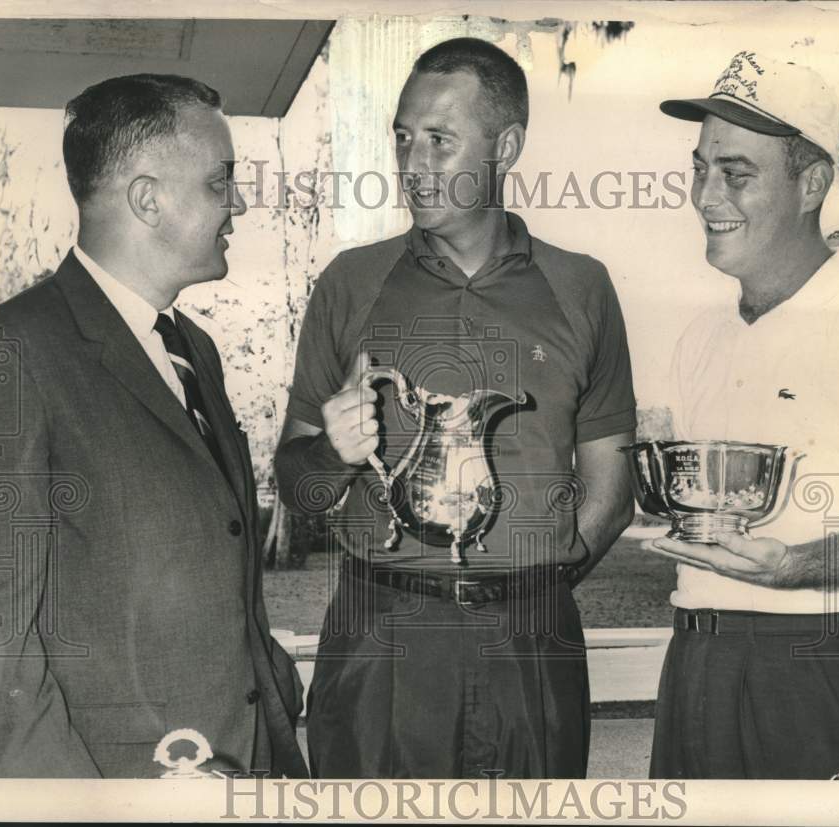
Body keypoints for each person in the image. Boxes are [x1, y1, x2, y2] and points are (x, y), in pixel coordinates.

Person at [275, 37, 636, 778]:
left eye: (440, 142)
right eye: (403, 139)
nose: (413, 166)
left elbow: (614, 489)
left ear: (505, 147)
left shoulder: (584, 288)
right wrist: (329, 454)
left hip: (533, 643)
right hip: (383, 638)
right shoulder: (349, 284)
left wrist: (537, 586)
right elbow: (299, 488)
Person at [0, 74, 308, 779]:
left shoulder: (193, 349)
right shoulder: (4, 354)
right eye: (221, 183)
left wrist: (269, 693)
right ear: (147, 199)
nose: (237, 204)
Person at [647, 51, 839, 779]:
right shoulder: (698, 335)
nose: (708, 194)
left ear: (813, 184)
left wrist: (803, 565)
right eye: (700, 167)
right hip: (696, 661)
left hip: (827, 667)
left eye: (736, 173)